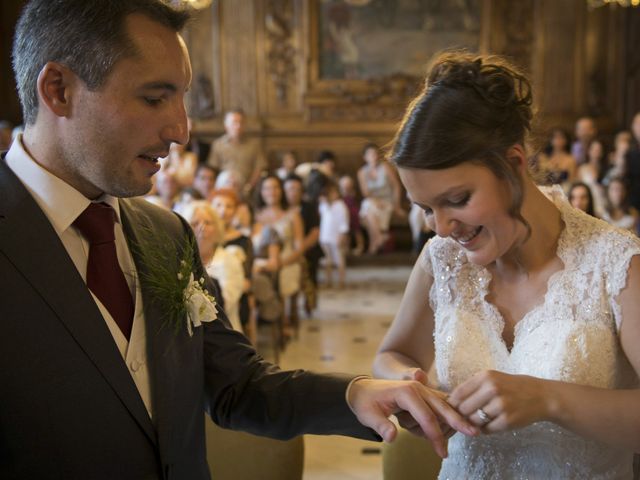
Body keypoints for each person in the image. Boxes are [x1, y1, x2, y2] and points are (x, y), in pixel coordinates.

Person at [1, 2, 476, 478]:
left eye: (182, 98)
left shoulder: (165, 234)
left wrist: (355, 394)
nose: (181, 131)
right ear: (59, 91)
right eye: (153, 98)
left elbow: (236, 386)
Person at [373, 51, 640, 479]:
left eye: (457, 200)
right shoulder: (442, 261)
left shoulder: (616, 264)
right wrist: (412, 384)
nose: (441, 228)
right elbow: (392, 354)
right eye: (426, 208)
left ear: (513, 165)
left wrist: (550, 400)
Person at [182, 200, 245, 332]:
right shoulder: (181, 260)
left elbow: (226, 304)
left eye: (208, 223)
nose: (202, 227)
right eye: (195, 223)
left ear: (217, 228)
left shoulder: (229, 260)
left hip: (223, 330)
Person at [357, 142, 405, 254]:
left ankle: (373, 245)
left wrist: (397, 205)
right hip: (372, 201)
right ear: (365, 157)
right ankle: (379, 238)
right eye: (370, 154)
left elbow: (396, 186)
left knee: (368, 211)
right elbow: (365, 193)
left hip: (387, 201)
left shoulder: (385, 168)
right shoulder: (362, 172)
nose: (373, 156)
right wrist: (375, 201)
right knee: (369, 206)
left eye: (374, 153)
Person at [207, 108, 266, 198]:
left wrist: (249, 187)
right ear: (226, 125)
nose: (238, 126)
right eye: (234, 123)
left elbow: (259, 168)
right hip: (223, 189)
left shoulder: (254, 145)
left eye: (241, 122)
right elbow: (213, 169)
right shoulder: (218, 145)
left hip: (246, 191)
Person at [319, 180, 350, 288]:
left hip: (336, 237)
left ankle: (341, 281)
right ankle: (328, 280)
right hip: (325, 236)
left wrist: (342, 236)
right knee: (327, 260)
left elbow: (344, 222)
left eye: (334, 192)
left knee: (339, 260)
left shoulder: (340, 206)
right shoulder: (323, 206)